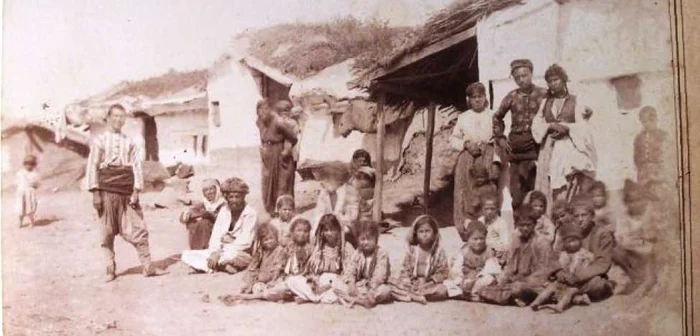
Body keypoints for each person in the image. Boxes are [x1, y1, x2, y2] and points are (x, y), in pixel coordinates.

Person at [86, 104, 164, 282]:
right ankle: (110, 268)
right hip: (106, 190)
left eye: (122, 117)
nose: (118, 120)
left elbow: (136, 167)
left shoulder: (129, 142)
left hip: (127, 190)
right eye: (115, 116)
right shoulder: (99, 141)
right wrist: (95, 193)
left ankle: (148, 266)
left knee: (138, 228)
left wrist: (136, 190)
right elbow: (93, 166)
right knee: (106, 232)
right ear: (108, 118)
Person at [532, 64, 597, 206]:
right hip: (550, 147)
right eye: (550, 81)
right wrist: (549, 125)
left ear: (563, 80)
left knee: (570, 183)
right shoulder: (546, 102)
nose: (553, 84)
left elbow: (583, 126)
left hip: (570, 146)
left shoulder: (575, 100)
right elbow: (536, 124)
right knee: (550, 184)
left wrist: (567, 128)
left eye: (556, 80)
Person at [493, 59, 548, 211]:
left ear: (531, 73)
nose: (521, 79)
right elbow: (497, 117)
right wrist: (501, 138)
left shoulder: (544, 94)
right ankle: (519, 228)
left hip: (536, 148)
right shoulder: (511, 97)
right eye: (517, 77)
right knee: (517, 194)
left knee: (536, 191)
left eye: (524, 75)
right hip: (516, 150)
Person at [180, 178, 257, 274]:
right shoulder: (225, 210)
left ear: (244, 196)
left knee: (234, 256)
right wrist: (214, 252)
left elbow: (245, 242)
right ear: (226, 197)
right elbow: (216, 236)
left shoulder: (250, 214)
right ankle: (221, 265)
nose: (234, 200)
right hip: (222, 250)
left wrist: (220, 252)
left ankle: (214, 265)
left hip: (239, 251)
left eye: (237, 197)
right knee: (186, 255)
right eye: (231, 197)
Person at [477, 207, 552, 306]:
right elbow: (510, 266)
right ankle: (513, 298)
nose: (525, 228)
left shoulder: (541, 242)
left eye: (528, 225)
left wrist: (524, 280)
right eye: (522, 225)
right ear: (517, 225)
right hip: (514, 281)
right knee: (483, 289)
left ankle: (514, 298)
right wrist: (503, 280)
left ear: (534, 224)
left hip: (533, 284)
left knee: (518, 288)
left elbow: (543, 272)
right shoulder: (515, 239)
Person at [450, 82, 501, 228]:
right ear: (469, 100)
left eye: (480, 96)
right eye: (473, 97)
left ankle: (489, 227)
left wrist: (497, 162)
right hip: (467, 158)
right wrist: (466, 144)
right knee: (464, 192)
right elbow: (453, 139)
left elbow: (499, 140)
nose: (477, 100)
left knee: (487, 191)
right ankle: (465, 228)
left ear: (485, 97)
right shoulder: (463, 117)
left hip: (487, 156)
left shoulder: (493, 115)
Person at [286, 214, 355, 304]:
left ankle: (310, 298)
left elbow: (350, 271)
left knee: (329, 279)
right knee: (292, 280)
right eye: (326, 230)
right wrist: (314, 284)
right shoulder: (319, 248)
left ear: (338, 230)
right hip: (320, 285)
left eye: (332, 229)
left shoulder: (346, 247)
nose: (329, 233)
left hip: (337, 282)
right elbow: (312, 272)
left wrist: (330, 284)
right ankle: (315, 297)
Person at [530, 222, 593, 313]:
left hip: (576, 284)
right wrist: (560, 275)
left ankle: (560, 306)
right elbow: (558, 267)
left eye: (575, 241)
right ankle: (537, 302)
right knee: (550, 288)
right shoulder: (563, 254)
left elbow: (586, 269)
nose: (572, 244)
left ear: (580, 240)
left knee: (569, 293)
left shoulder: (585, 254)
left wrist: (576, 276)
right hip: (562, 281)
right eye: (569, 241)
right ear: (564, 243)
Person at [220, 222, 289, 304]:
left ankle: (248, 297)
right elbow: (253, 268)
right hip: (262, 282)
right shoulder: (261, 251)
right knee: (256, 288)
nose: (269, 242)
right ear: (262, 242)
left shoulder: (280, 250)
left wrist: (273, 281)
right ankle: (253, 295)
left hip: (275, 279)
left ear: (276, 238)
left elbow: (279, 267)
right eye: (266, 240)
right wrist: (250, 283)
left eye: (271, 238)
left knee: (275, 289)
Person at [566, 197, 617, 301]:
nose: (580, 219)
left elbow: (602, 264)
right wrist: (562, 273)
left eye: (584, 215)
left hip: (590, 277)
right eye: (576, 216)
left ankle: (571, 294)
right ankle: (575, 295)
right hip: (571, 275)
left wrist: (577, 277)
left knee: (598, 285)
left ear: (592, 216)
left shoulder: (603, 234)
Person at [391, 215, 450, 304]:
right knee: (392, 285)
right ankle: (415, 295)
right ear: (416, 234)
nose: (424, 234)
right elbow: (406, 269)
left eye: (427, 231)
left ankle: (414, 295)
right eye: (421, 231)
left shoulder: (439, 252)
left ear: (434, 233)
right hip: (412, 283)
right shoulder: (412, 250)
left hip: (429, 284)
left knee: (443, 290)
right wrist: (411, 281)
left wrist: (427, 283)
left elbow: (443, 272)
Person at [334, 221, 393, 308]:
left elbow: (380, 274)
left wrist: (372, 289)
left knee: (386, 290)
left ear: (376, 239)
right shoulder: (358, 252)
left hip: (375, 285)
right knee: (338, 285)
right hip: (361, 284)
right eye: (362, 239)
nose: (365, 242)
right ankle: (362, 300)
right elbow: (351, 269)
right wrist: (351, 283)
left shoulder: (381, 253)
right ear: (358, 240)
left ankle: (359, 299)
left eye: (369, 239)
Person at [257, 99, 298, 213]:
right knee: (267, 182)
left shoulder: (279, 122)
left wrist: (287, 148)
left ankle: (284, 210)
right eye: (261, 110)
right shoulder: (259, 122)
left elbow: (293, 137)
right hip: (267, 155)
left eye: (266, 109)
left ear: (270, 110)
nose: (264, 112)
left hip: (279, 154)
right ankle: (270, 208)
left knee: (282, 182)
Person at [445, 220, 501, 302]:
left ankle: (471, 294)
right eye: (475, 239)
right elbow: (456, 268)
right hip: (465, 278)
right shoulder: (464, 250)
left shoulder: (489, 251)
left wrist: (475, 279)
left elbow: (490, 269)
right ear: (468, 239)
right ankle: (469, 294)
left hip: (479, 280)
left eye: (481, 238)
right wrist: (462, 280)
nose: (478, 242)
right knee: (448, 283)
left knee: (489, 279)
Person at [312, 162, 360, 246]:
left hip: (347, 228)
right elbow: (319, 213)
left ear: (335, 179)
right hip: (329, 227)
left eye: (326, 179)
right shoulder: (324, 193)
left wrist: (336, 221)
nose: (322, 183)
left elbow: (352, 217)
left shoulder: (349, 192)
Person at [179, 179, 226, 250]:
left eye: (211, 189)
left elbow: (226, 223)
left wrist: (210, 216)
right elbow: (184, 217)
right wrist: (186, 216)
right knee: (193, 222)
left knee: (204, 223)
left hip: (219, 237)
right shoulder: (203, 204)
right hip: (203, 237)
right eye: (205, 190)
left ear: (217, 189)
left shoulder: (224, 204)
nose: (209, 192)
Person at [454, 165, 498, 242]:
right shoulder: (485, 187)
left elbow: (475, 204)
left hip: (483, 215)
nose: (479, 180)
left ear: (486, 177)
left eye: (481, 177)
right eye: (477, 178)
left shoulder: (485, 188)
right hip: (479, 214)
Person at [633, 106, 668, 196]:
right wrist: (641, 169)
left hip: (659, 171)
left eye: (650, 120)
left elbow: (667, 155)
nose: (647, 123)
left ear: (656, 119)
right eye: (644, 121)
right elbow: (636, 156)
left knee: (660, 196)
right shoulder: (638, 138)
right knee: (645, 197)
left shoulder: (663, 135)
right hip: (643, 173)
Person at [480, 192, 513, 261]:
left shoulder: (501, 223)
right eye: (486, 209)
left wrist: (492, 246)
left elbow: (505, 244)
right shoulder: (480, 220)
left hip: (495, 252)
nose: (489, 212)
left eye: (492, 209)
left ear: (497, 209)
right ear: (482, 209)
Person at [16, 154, 40, 228]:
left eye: (31, 164)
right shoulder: (20, 173)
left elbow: (37, 184)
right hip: (22, 192)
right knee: (20, 208)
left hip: (30, 192)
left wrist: (33, 187)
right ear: (24, 164)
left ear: (34, 165)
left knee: (30, 208)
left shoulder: (35, 174)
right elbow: (17, 182)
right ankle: (20, 222)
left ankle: (31, 222)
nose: (29, 166)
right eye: (27, 164)